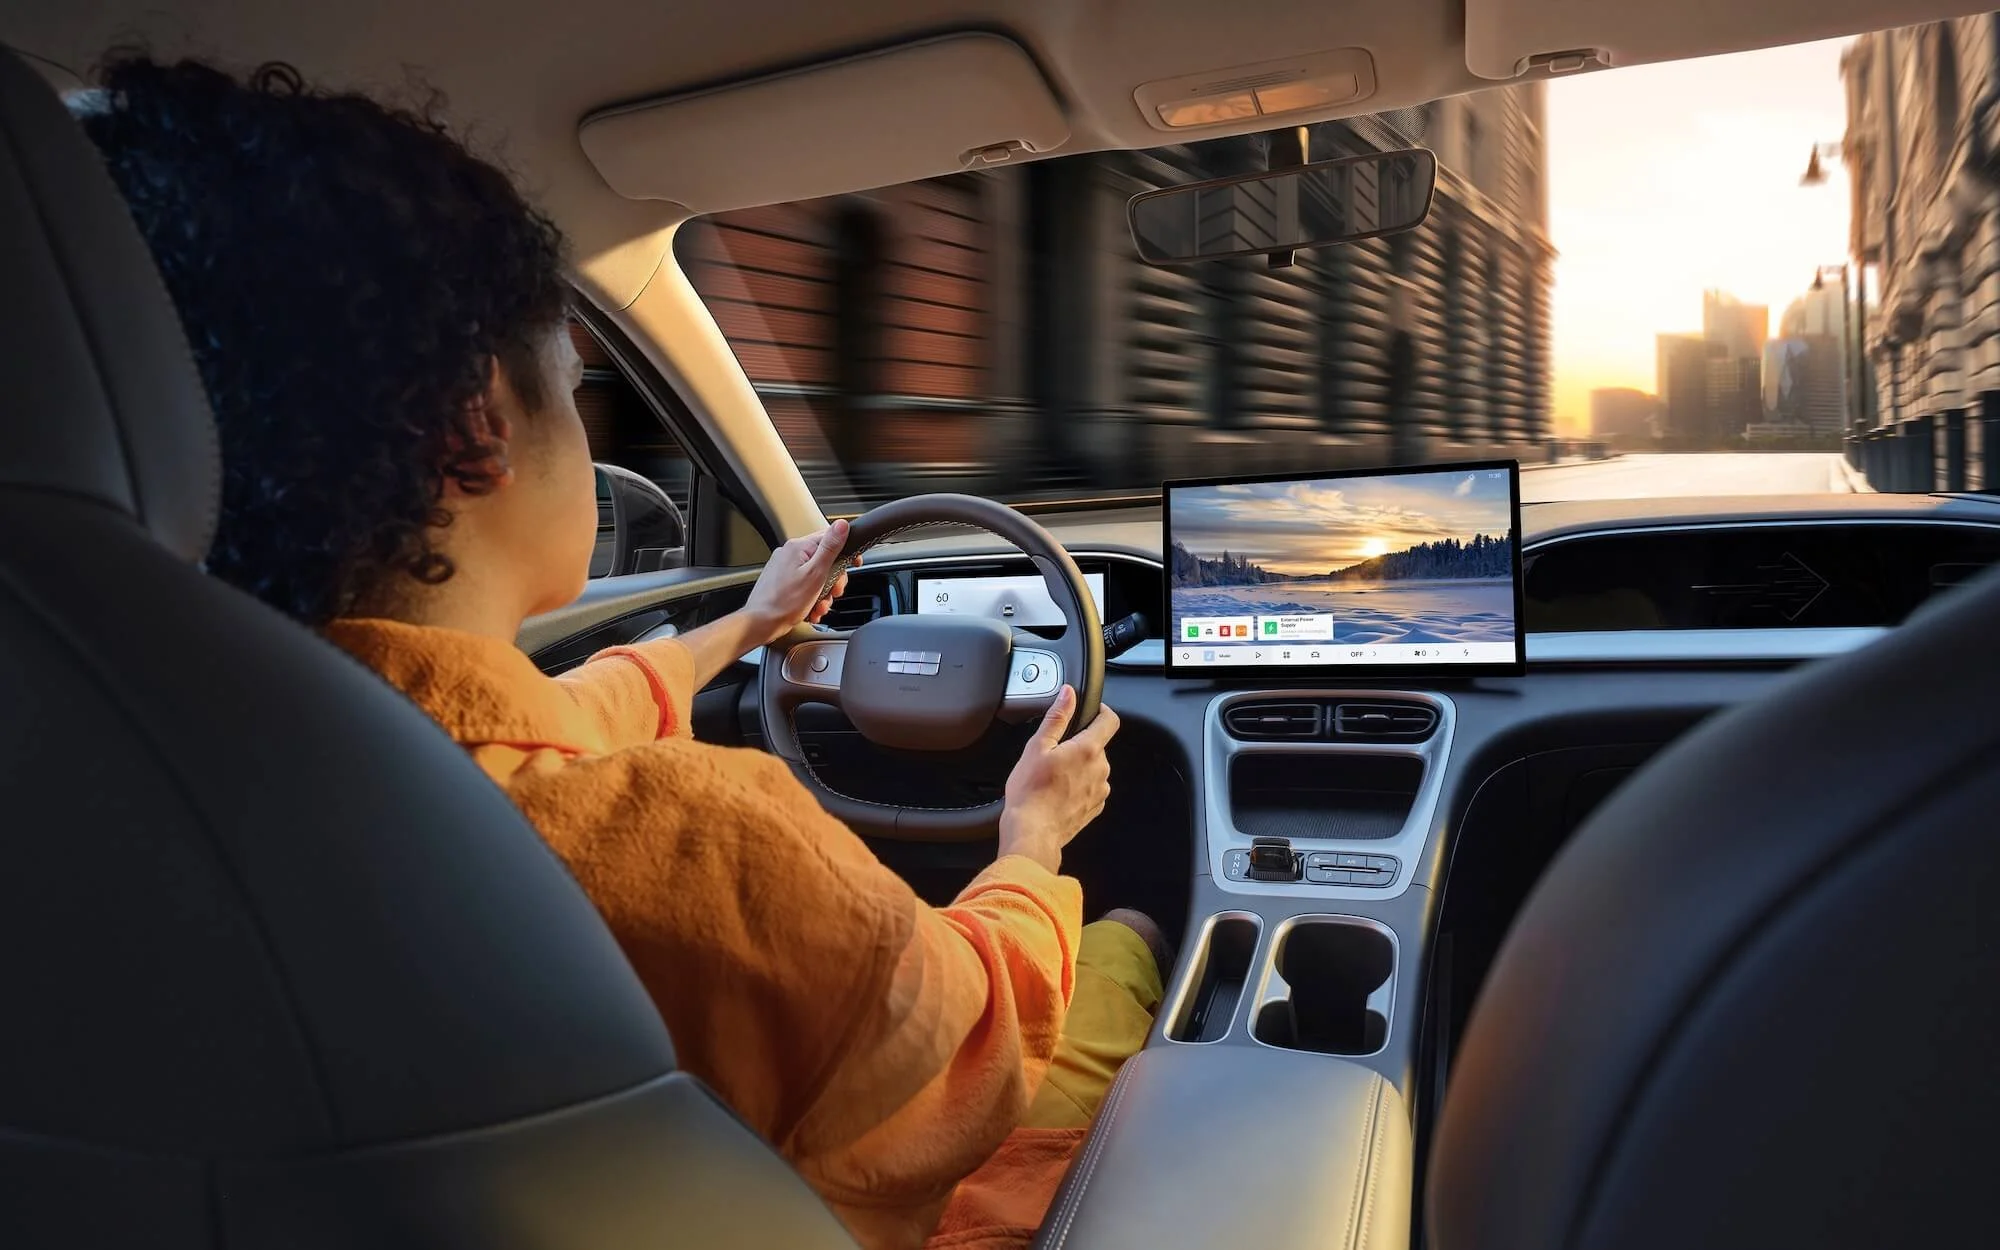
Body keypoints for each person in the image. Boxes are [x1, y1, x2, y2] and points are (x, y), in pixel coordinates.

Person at [79, 56, 1166, 1250]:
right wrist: (1032, 841)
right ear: (476, 431)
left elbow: (545, 720)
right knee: (1113, 947)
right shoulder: (711, 848)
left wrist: (751, 628)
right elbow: (973, 1047)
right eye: (576, 384)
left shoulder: (136, 778)